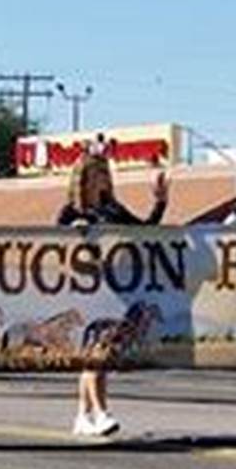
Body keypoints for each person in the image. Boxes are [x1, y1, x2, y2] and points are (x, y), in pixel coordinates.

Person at [57, 152, 168, 436]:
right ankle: (103, 413)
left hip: (116, 288)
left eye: (106, 173)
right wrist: (73, 234)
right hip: (85, 289)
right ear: (83, 177)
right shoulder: (70, 212)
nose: (103, 179)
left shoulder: (113, 209)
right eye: (97, 173)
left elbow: (144, 231)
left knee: (98, 356)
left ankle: (83, 415)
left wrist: (160, 202)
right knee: (98, 353)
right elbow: (54, 244)